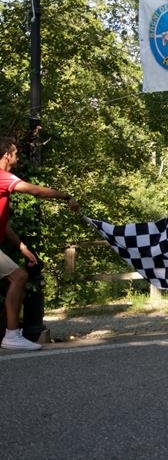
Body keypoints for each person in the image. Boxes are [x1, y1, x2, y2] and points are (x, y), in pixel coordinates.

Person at [0, 137, 79, 350]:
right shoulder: (3, 177)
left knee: (18, 277)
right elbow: (35, 190)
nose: (18, 157)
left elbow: (3, 226)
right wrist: (65, 196)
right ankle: (11, 336)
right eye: (15, 153)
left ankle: (11, 335)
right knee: (19, 277)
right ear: (7, 155)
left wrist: (21, 247)